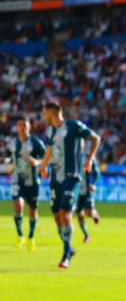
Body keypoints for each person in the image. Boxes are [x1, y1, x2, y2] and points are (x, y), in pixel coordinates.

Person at [40, 101, 101, 269]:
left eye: (44, 113)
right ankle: (69, 248)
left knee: (66, 213)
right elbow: (50, 150)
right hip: (55, 179)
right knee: (57, 217)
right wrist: (43, 166)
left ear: (51, 113)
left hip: (71, 177)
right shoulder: (52, 131)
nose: (43, 117)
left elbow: (96, 138)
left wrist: (89, 159)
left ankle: (65, 255)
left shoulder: (73, 126)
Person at [5, 116, 46, 252]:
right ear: (17, 127)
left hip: (32, 180)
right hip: (17, 179)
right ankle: (20, 234)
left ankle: (31, 236)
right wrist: (5, 162)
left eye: (24, 124)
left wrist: (37, 162)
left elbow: (47, 157)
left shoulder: (36, 143)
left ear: (29, 127)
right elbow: (7, 157)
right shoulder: (11, 143)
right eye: (19, 125)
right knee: (18, 204)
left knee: (32, 210)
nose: (22, 127)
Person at [76, 139, 101, 244]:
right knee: (79, 214)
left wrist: (93, 183)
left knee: (88, 212)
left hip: (87, 189)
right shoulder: (71, 158)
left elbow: (97, 172)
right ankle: (86, 235)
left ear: (83, 144)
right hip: (76, 190)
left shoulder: (88, 157)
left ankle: (94, 214)